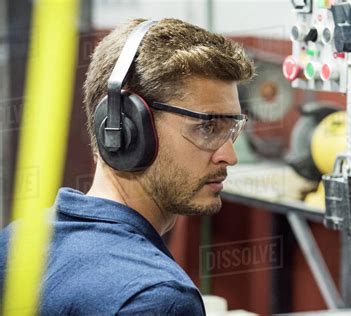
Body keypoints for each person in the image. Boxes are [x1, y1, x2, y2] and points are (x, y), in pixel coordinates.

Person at [0, 18, 254, 314]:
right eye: (208, 127)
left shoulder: (16, 242)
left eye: (231, 128)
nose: (229, 156)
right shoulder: (157, 297)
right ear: (126, 127)